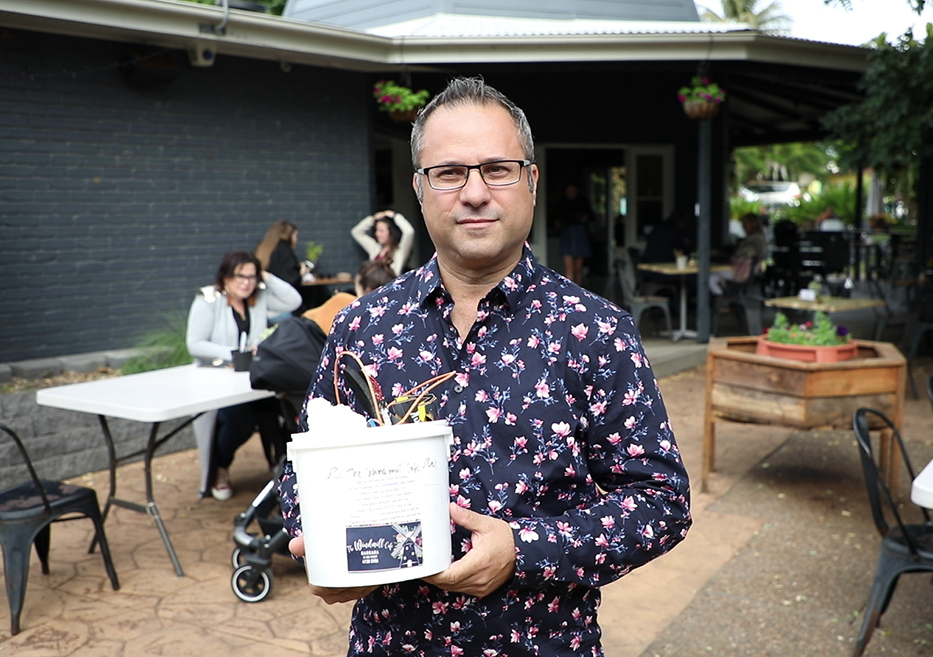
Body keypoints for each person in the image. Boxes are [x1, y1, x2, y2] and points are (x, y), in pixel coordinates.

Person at [279, 77, 691, 656]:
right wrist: (319, 543)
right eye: (449, 172)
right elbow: (302, 467)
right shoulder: (362, 327)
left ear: (531, 181)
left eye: (497, 168)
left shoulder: (596, 332)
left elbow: (660, 501)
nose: (474, 192)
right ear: (420, 190)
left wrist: (527, 550)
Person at [187, 250, 302, 500]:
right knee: (239, 421)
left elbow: (293, 301)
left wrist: (268, 277)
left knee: (286, 407)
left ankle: (284, 468)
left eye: (252, 276)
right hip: (218, 380)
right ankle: (221, 467)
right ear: (226, 277)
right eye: (240, 276)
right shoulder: (209, 299)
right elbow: (195, 344)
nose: (246, 282)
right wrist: (235, 353)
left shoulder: (257, 299)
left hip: (251, 379)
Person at [709, 212, 769, 295]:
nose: (743, 226)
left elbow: (741, 255)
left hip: (742, 270)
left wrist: (727, 257)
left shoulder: (754, 240)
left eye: (745, 224)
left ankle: (722, 298)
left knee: (710, 276)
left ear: (752, 224)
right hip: (748, 270)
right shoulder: (760, 238)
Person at [350, 209, 415, 276]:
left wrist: (396, 216)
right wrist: (372, 219)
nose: (377, 234)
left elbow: (409, 232)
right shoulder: (375, 248)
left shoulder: (399, 251)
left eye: (381, 231)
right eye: (376, 230)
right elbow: (356, 232)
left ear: (391, 232)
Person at [556, 182, 592, 284]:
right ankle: (570, 296)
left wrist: (584, 218)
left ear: (577, 191)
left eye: (572, 191)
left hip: (580, 233)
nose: (570, 193)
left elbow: (590, 216)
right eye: (568, 191)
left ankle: (578, 295)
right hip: (567, 234)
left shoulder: (583, 203)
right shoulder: (562, 203)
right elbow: (556, 220)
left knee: (578, 270)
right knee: (569, 270)